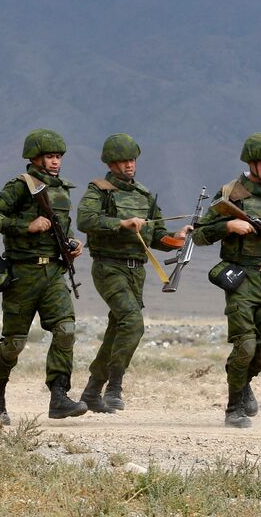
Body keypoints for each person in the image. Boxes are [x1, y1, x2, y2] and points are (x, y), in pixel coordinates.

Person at [191, 133, 261, 428]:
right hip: (242, 280)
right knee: (245, 347)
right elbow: (200, 234)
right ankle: (233, 408)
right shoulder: (231, 192)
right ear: (251, 163)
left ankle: (242, 382)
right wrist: (228, 225)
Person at [0, 129, 89, 423]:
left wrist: (74, 244)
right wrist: (26, 225)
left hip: (53, 272)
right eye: (50, 157)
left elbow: (62, 228)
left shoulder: (63, 189)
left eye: (58, 157)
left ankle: (60, 396)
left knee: (66, 330)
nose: (55, 162)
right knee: (14, 343)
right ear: (35, 158)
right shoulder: (19, 186)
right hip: (23, 274)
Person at [76, 133, 189, 413]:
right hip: (108, 266)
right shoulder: (99, 190)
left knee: (118, 329)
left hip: (136, 271)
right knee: (133, 322)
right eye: (123, 161)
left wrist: (177, 237)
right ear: (111, 164)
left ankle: (92, 390)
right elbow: (85, 220)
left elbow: (157, 236)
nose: (129, 166)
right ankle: (115, 386)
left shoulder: (144, 195)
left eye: (132, 160)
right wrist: (121, 223)